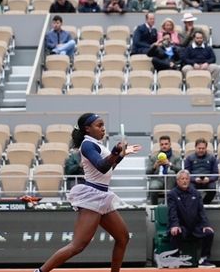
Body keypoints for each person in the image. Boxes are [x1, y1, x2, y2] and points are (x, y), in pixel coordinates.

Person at [34, 113, 140, 272]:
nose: (103, 128)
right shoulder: (87, 144)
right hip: (92, 197)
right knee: (78, 246)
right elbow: (102, 166)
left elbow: (108, 169)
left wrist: (121, 155)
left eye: (103, 125)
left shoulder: (97, 144)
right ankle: (39, 271)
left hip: (102, 196)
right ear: (87, 129)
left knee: (122, 237)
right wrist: (115, 152)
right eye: (99, 125)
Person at [167, 170, 216, 268]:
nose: (184, 181)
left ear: (189, 180)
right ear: (177, 181)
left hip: (194, 227)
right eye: (182, 179)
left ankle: (204, 259)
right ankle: (175, 259)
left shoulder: (196, 193)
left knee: (209, 233)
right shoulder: (172, 194)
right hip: (181, 226)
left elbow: (201, 212)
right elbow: (173, 212)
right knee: (175, 231)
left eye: (186, 179)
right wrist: (175, 225)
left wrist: (206, 225)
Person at [146, 135, 182, 204]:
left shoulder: (176, 158)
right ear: (160, 145)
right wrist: (155, 166)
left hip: (171, 181)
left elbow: (180, 170)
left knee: (171, 173)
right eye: (162, 144)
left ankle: (169, 204)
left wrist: (170, 164)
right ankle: (154, 207)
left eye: (166, 144)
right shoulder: (154, 158)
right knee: (153, 187)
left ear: (170, 144)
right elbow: (147, 172)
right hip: (158, 179)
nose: (164, 146)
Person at [183, 139, 219, 204]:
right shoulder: (189, 158)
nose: (201, 150)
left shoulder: (212, 158)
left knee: (213, 189)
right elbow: (186, 173)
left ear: (206, 148)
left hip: (208, 181)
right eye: (199, 148)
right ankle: (196, 204)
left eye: (203, 148)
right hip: (194, 181)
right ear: (195, 147)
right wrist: (194, 179)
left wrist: (209, 179)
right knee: (190, 189)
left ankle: (204, 204)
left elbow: (216, 174)